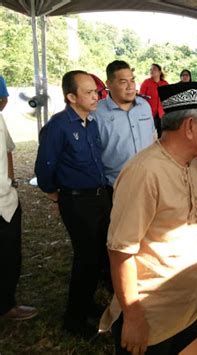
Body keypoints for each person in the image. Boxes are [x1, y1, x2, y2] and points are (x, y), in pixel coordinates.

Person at [99, 82, 197, 355]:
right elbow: (120, 251)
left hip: (187, 308)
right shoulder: (144, 173)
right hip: (151, 319)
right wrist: (133, 317)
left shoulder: (193, 163)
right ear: (190, 127)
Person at [35, 70, 110, 337]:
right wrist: (55, 194)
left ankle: (87, 304)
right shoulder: (58, 126)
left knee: (98, 255)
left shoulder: (89, 122)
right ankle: (74, 319)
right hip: (77, 201)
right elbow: (44, 167)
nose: (96, 96)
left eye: (96, 91)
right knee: (86, 258)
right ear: (71, 97)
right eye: (89, 92)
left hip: (99, 197)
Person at [91, 60, 155, 191]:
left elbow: (153, 138)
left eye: (132, 80)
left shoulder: (144, 106)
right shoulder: (97, 113)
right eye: (123, 82)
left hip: (149, 183)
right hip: (116, 187)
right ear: (109, 84)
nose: (130, 86)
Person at [0, 113, 37, 321]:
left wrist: (11, 182)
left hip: (5, 201)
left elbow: (7, 150)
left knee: (9, 255)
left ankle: (6, 306)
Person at [139, 63, 169, 136]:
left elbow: (168, 98)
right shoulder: (146, 82)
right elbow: (141, 98)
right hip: (149, 113)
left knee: (162, 134)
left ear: (159, 72)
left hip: (162, 114)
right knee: (150, 134)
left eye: (154, 69)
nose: (152, 71)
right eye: (151, 69)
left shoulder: (165, 84)